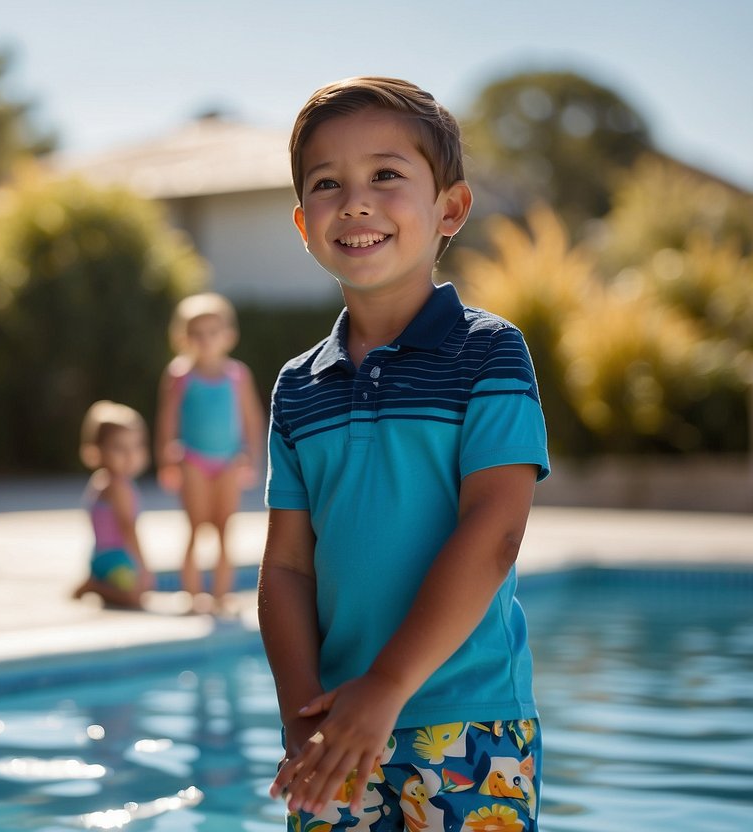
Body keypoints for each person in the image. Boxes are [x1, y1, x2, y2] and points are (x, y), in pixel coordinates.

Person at [259, 77, 550, 831]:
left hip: (466, 723)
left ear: (448, 208)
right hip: (334, 729)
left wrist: (386, 685)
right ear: (302, 223)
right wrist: (301, 720)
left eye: (385, 175)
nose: (354, 201)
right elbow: (286, 566)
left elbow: (495, 532)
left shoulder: (488, 353)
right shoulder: (297, 386)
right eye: (327, 184)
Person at [154, 293, 264, 610]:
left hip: (229, 461)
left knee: (223, 530)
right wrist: (166, 459)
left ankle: (221, 595)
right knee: (195, 527)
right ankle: (191, 595)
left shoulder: (237, 375)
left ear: (229, 336)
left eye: (213, 332)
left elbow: (252, 418)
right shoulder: (179, 375)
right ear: (183, 338)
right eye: (197, 334)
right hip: (192, 460)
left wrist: (251, 456)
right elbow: (167, 419)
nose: (205, 340)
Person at [72, 400, 154, 610]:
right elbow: (128, 528)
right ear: (97, 451)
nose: (129, 455)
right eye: (119, 448)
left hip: (98, 558)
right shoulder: (119, 487)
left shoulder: (100, 481)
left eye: (136, 446)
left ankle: (97, 583)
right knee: (137, 596)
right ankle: (95, 587)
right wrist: (143, 566)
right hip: (117, 562)